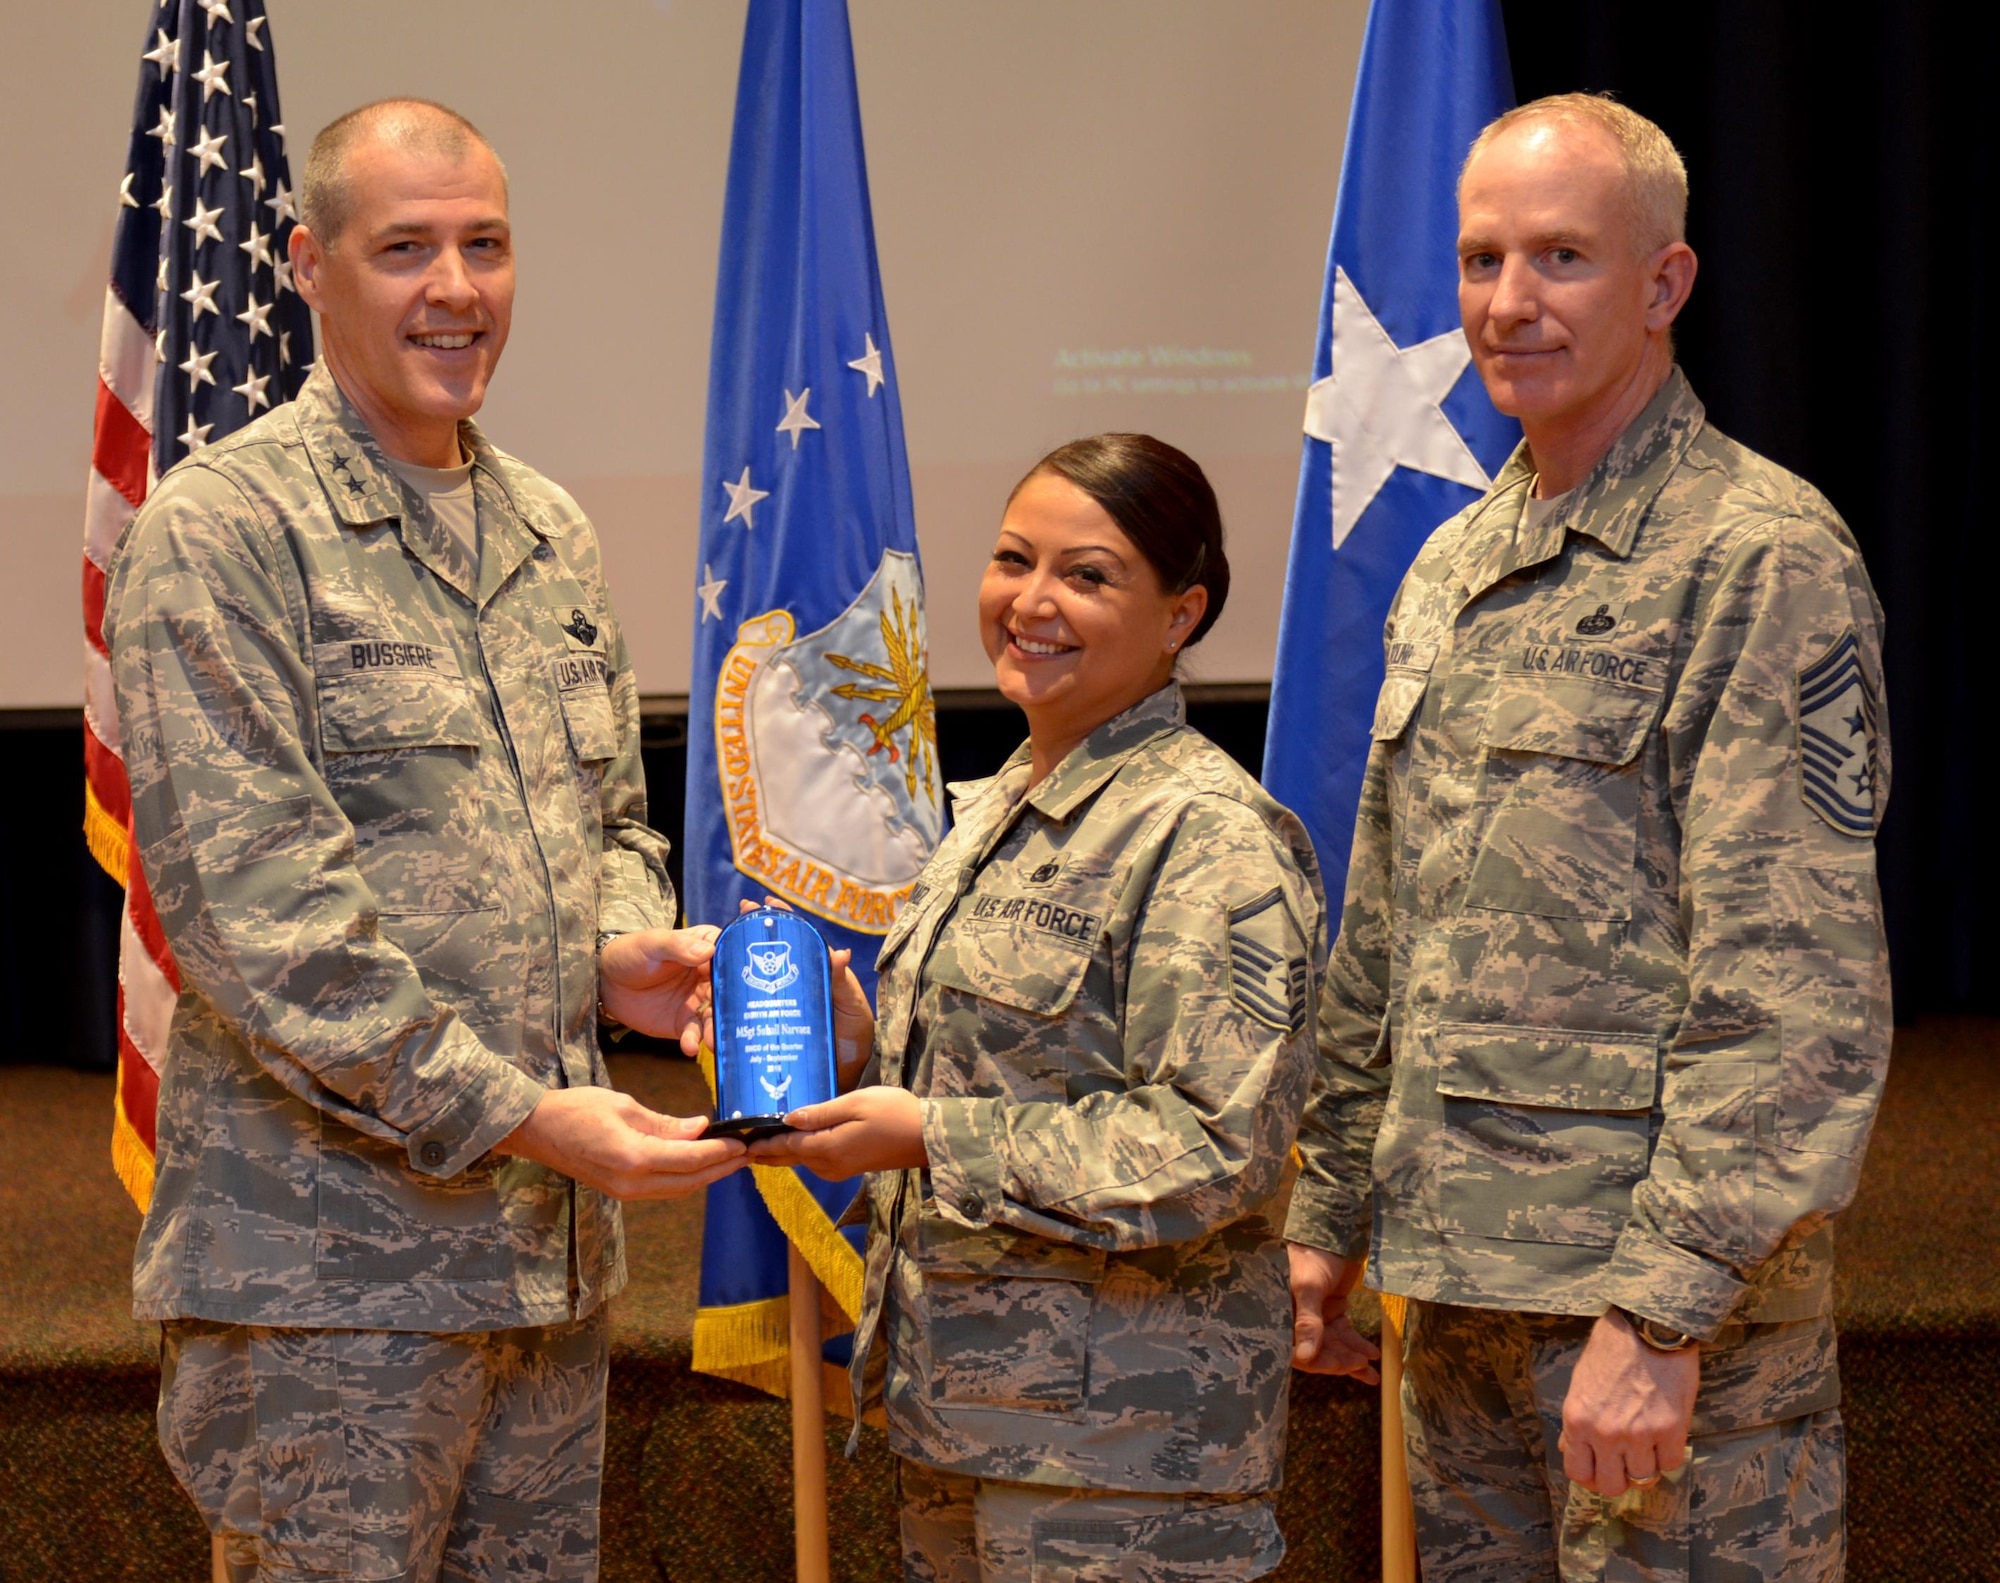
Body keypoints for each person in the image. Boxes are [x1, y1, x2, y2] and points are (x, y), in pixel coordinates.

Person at [106, 100, 746, 1582]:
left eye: (485, 246)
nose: (454, 290)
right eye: (405, 249)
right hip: (334, 1286)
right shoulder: (226, 531)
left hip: (542, 1270)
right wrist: (527, 1114)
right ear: (309, 266)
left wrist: (620, 952)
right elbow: (265, 924)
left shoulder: (547, 529)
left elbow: (612, 823)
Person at [1285, 93, 1890, 1580]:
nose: (1509, 302)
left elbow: (1796, 990)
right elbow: (1392, 929)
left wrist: (1666, 1309)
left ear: (1663, 283)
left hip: (1661, 1327)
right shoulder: (1455, 561)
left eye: (1560, 257)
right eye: (1483, 259)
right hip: (1461, 1304)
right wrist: (1330, 1209)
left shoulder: (1759, 556)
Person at [749, 434, 1327, 1581]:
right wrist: (851, 1040)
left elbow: (1213, 1148)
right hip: (961, 1421)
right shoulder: (1003, 800)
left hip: (1122, 1460)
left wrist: (929, 1134)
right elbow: (1011, 1061)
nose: (1033, 601)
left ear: (1181, 614)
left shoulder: (1204, 834)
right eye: (1013, 559)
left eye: (1089, 574)